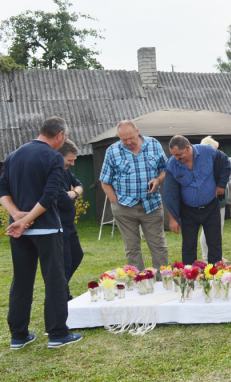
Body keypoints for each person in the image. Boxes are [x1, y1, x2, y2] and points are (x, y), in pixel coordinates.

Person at [0, 117, 82, 349]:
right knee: (54, 280)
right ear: (60, 136)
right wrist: (25, 219)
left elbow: (2, 189)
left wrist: (17, 216)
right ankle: (57, 334)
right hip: (46, 228)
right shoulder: (53, 157)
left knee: (21, 281)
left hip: (19, 232)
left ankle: (18, 336)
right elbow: (49, 196)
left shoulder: (13, 155)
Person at [99, 120, 169, 274]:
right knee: (132, 247)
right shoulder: (112, 151)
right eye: (124, 139)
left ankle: (162, 281)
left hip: (151, 205)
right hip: (124, 207)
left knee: (158, 245)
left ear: (137, 131)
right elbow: (105, 181)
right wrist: (115, 203)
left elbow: (164, 169)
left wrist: (158, 180)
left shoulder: (154, 144)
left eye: (131, 137)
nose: (128, 142)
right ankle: (140, 282)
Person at [163, 135, 231, 266]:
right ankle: (190, 276)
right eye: (174, 155)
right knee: (188, 246)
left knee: (214, 243)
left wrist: (221, 184)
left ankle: (214, 276)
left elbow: (225, 163)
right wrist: (172, 218)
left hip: (211, 206)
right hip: (188, 211)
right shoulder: (172, 164)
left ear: (188, 148)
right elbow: (169, 193)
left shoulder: (208, 151)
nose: (176, 158)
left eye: (179, 154)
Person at [56, 139, 84, 300]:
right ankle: (61, 295)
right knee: (65, 262)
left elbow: (79, 185)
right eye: (70, 160)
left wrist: (73, 193)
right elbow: (63, 200)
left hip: (69, 223)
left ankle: (60, 288)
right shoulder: (55, 172)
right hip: (59, 223)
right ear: (59, 157)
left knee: (77, 255)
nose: (72, 164)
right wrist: (72, 195)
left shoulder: (66, 171)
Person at [197, 136, 228, 262]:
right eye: (214, 150)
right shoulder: (201, 164)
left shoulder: (218, 161)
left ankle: (216, 255)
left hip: (220, 201)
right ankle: (206, 257)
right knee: (207, 231)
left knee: (218, 230)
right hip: (210, 201)